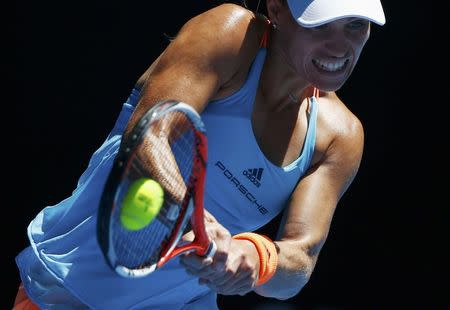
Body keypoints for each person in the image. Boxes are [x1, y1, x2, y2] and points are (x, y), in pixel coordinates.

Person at [14, 0, 386, 309]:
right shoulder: (230, 34)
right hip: (65, 292)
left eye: (355, 25)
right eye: (320, 27)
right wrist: (194, 216)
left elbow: (301, 259)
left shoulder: (341, 136)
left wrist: (255, 258)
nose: (340, 47)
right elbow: (147, 139)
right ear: (277, 8)